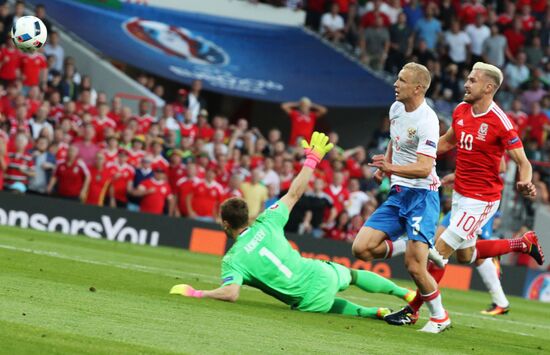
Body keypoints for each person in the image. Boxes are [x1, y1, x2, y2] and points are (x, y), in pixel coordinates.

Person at [170, 132, 415, 320]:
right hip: (320, 272)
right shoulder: (268, 220)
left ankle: (376, 312)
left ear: (225, 224)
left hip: (308, 297)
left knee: (330, 306)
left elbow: (231, 293)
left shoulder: (232, 260)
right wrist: (312, 160)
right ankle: (405, 294)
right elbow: (295, 193)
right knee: (352, 275)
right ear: (247, 216)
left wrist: (198, 293)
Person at [385, 62, 545, 330]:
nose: (466, 84)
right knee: (466, 256)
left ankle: (416, 312)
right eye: (468, 79)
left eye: (472, 80)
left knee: (441, 250)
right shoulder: (461, 110)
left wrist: (525, 182)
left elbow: (523, 162)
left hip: (483, 199)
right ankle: (523, 243)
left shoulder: (500, 122)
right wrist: (412, 156)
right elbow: (445, 143)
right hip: (460, 193)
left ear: (488, 87)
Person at [350, 62, 448, 333]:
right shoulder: (395, 108)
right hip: (398, 193)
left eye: (402, 80)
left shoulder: (428, 121)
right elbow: (395, 139)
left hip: (422, 196)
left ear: (417, 88)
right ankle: (407, 244)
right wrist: (388, 164)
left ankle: (440, 317)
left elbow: (425, 168)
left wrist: (390, 168)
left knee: (415, 267)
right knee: (361, 248)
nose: (396, 83)